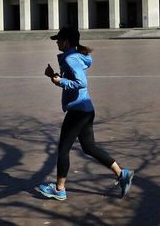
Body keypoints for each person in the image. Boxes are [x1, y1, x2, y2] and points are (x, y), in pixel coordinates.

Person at [36, 27, 134, 201]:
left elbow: (80, 82)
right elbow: (73, 79)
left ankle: (59, 189)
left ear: (66, 41)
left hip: (78, 111)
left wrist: (60, 82)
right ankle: (122, 174)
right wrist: (55, 76)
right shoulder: (76, 56)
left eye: (58, 40)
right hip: (86, 109)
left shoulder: (71, 58)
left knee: (63, 149)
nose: (57, 42)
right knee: (89, 147)